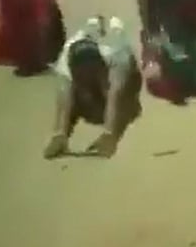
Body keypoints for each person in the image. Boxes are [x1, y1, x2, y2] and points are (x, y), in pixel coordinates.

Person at [44, 16, 142, 159]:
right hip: (81, 47)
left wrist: (109, 135)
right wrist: (59, 134)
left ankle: (115, 25)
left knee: (118, 35)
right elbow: (64, 101)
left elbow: (114, 96)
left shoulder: (118, 58)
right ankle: (93, 23)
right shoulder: (64, 65)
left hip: (112, 51)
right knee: (66, 90)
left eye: (91, 71)